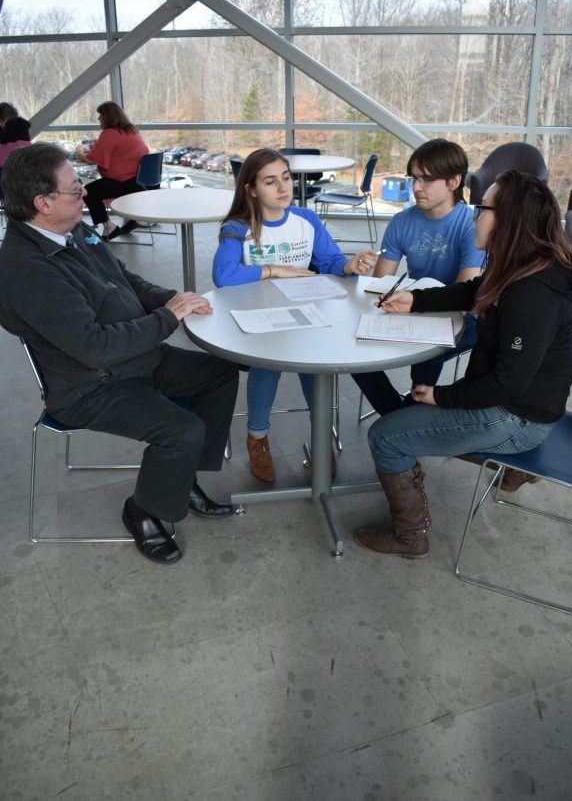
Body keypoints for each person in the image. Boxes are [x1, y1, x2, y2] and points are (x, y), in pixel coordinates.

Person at [0, 143, 240, 565]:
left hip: (133, 361)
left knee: (219, 373)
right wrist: (168, 317)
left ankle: (180, 479)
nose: (85, 194)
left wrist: (172, 297)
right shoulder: (26, 270)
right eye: (75, 189)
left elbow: (124, 280)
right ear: (42, 203)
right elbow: (94, 348)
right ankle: (144, 509)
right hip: (90, 386)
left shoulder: (71, 230)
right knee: (181, 430)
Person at [354, 170, 572, 560]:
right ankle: (514, 468)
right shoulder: (524, 265)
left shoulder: (533, 294)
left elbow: (505, 386)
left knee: (386, 435)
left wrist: (442, 397)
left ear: (508, 219)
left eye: (483, 208)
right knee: (408, 415)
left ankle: (409, 538)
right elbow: (475, 290)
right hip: (521, 404)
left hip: (517, 417)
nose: (475, 215)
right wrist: (417, 300)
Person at [212, 148, 378, 483]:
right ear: (252, 189)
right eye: (270, 181)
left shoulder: (307, 219)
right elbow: (224, 276)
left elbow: (330, 262)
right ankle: (257, 437)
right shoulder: (238, 227)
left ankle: (321, 439)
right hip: (258, 318)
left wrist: (350, 265)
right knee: (266, 368)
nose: (282, 187)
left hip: (304, 312)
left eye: (285, 178)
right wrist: (276, 270)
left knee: (314, 367)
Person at [353, 138, 485, 415]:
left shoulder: (471, 225)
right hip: (413, 310)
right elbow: (381, 285)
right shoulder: (402, 221)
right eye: (414, 178)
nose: (415, 187)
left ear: (453, 182)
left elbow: (463, 294)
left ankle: (400, 421)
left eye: (426, 179)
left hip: (464, 319)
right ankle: (399, 417)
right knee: (355, 351)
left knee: (431, 348)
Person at [75, 101, 149, 240]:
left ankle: (109, 227)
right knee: (97, 188)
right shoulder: (132, 131)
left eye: (101, 115)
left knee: (88, 192)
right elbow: (114, 152)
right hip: (138, 182)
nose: (99, 119)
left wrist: (80, 155)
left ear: (108, 116)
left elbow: (92, 159)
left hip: (123, 183)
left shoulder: (109, 133)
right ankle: (133, 220)